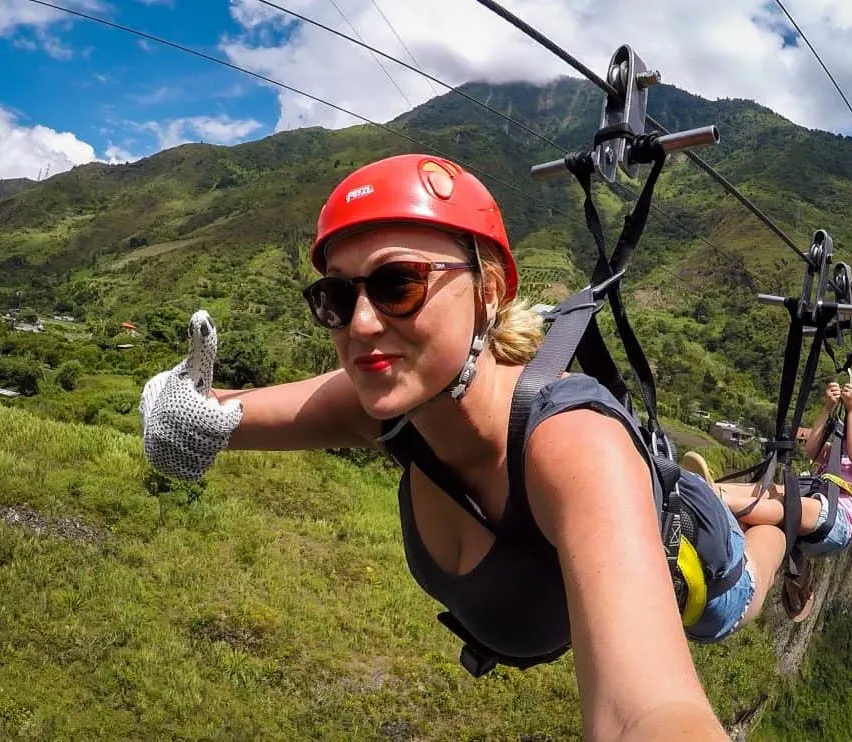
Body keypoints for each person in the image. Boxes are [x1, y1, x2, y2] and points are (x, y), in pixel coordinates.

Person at [139, 153, 785, 741]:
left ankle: (786, 512)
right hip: (630, 506)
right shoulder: (389, 399)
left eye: (399, 285)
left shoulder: (574, 445)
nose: (362, 324)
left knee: (744, 598)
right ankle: (731, 494)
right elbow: (216, 415)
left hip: (701, 571)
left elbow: (645, 712)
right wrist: (175, 413)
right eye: (336, 297)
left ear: (491, 289)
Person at [681, 373, 852, 619]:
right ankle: (713, 489)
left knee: (788, 502)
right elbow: (812, 448)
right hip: (815, 507)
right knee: (775, 491)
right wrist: (827, 410)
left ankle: (716, 501)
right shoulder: (841, 447)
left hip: (838, 521)